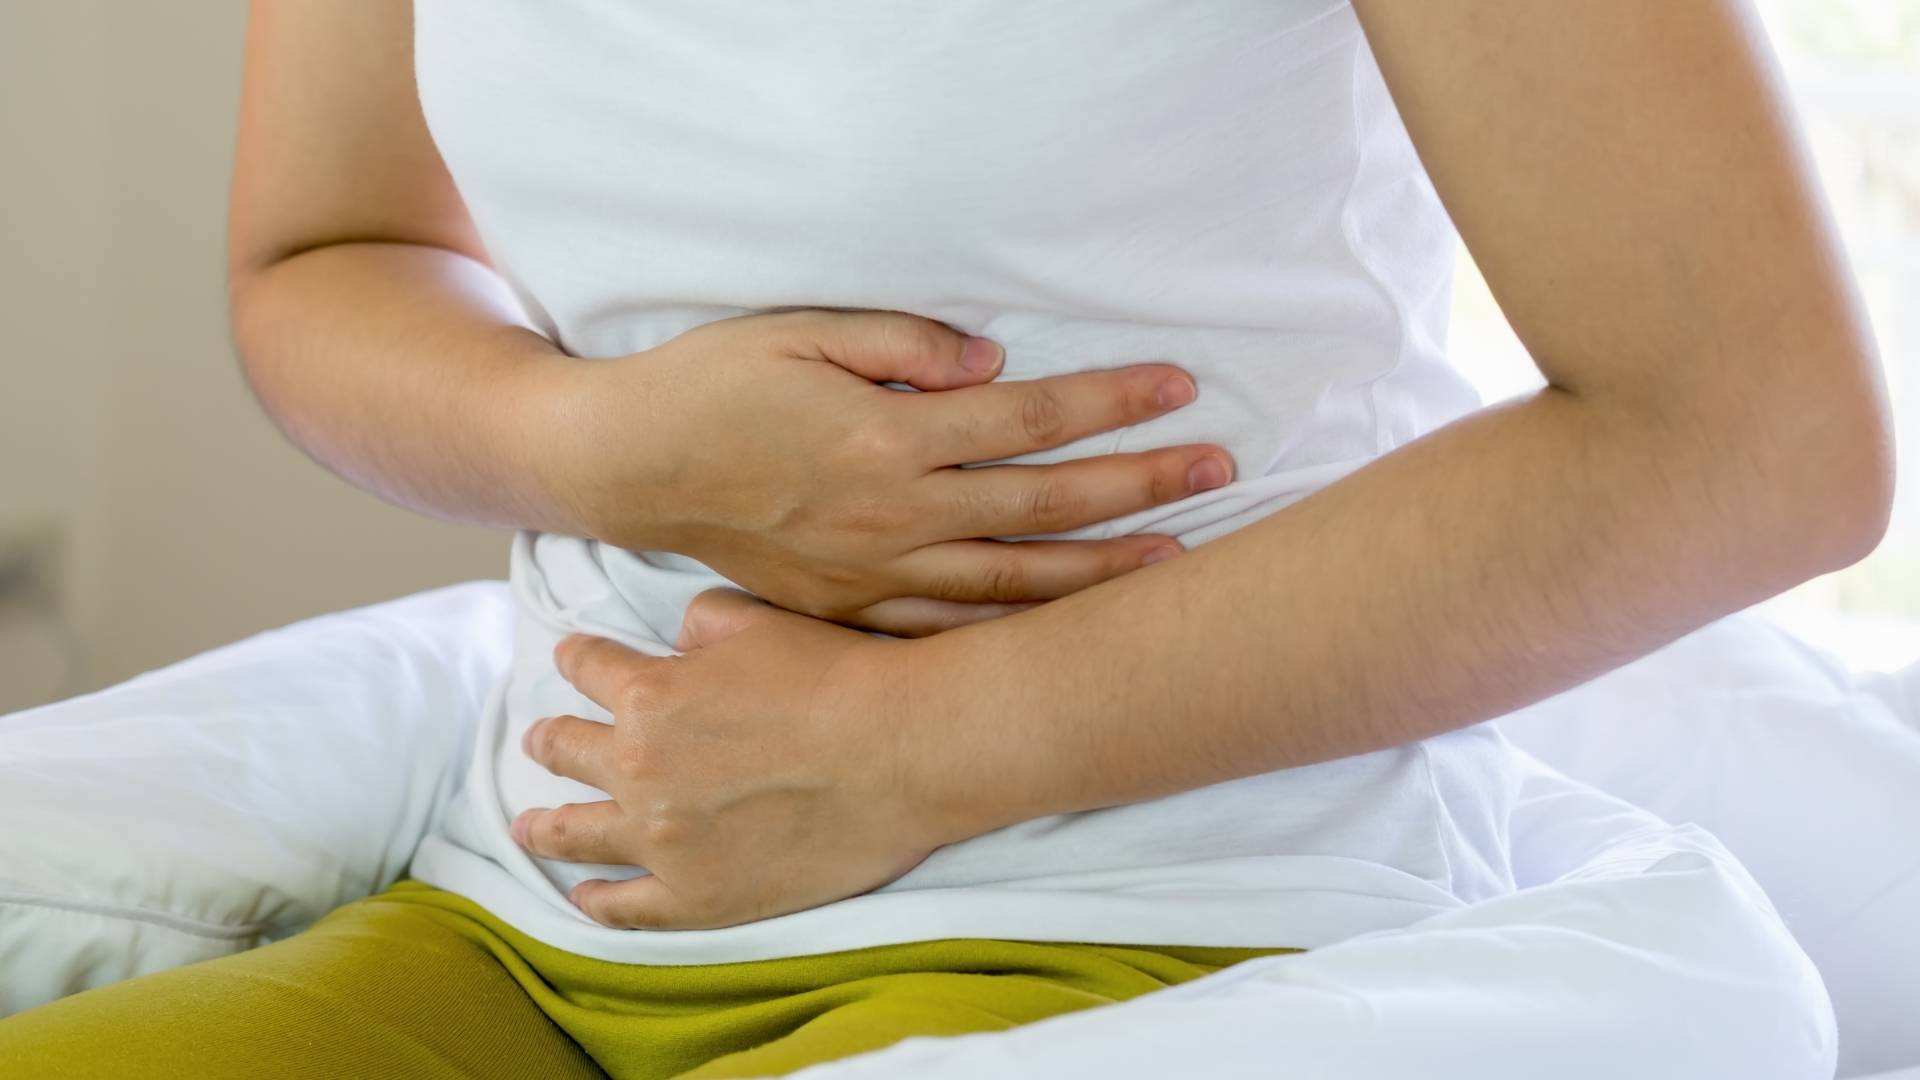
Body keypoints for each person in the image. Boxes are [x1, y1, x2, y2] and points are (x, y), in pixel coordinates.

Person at [0, 0, 1893, 1077]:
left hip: (1157, 925)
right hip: (536, 905)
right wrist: (587, 439)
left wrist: (923, 751)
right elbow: (320, 256)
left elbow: (1752, 442)